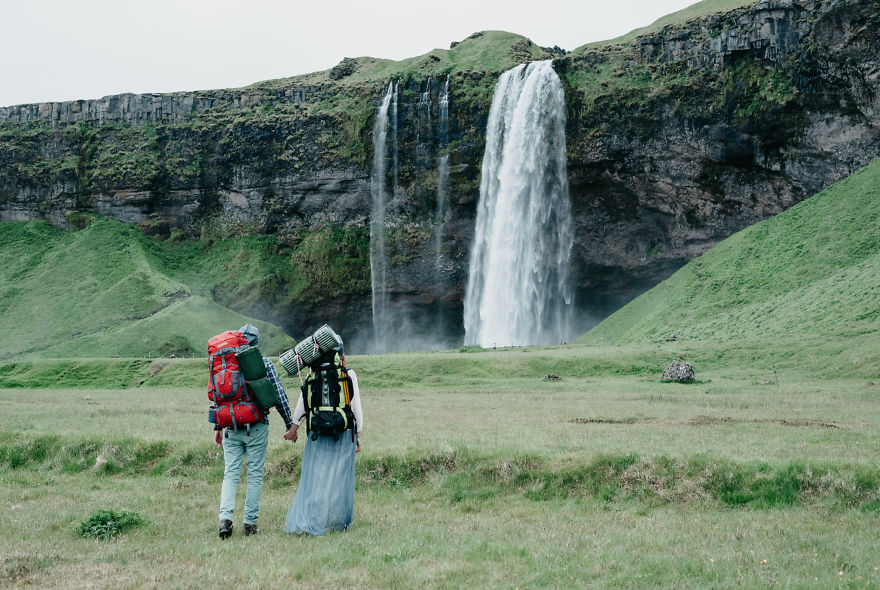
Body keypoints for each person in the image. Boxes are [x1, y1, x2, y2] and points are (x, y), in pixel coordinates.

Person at [214, 323, 298, 539]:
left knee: (230, 474)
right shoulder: (264, 363)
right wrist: (290, 424)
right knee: (254, 476)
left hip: (230, 427)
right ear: (255, 343)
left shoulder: (223, 364)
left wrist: (218, 427)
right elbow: (278, 395)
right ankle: (250, 524)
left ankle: (225, 520)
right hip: (257, 427)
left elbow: (218, 397)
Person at [284, 352, 363, 536]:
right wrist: (358, 434)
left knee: (317, 475)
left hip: (317, 433)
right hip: (342, 431)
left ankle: (313, 517)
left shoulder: (313, 373)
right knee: (338, 477)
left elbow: (303, 403)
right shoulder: (347, 374)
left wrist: (293, 429)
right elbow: (355, 406)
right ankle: (334, 520)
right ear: (339, 355)